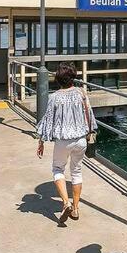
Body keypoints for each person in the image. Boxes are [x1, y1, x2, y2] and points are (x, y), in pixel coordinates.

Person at [37, 62, 97, 224]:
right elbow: (90, 115)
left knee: (58, 169)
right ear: (73, 78)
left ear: (58, 79)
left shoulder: (54, 97)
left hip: (63, 141)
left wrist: (41, 140)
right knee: (76, 172)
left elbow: (48, 120)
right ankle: (76, 208)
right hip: (80, 140)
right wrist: (92, 132)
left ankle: (66, 203)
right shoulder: (81, 93)